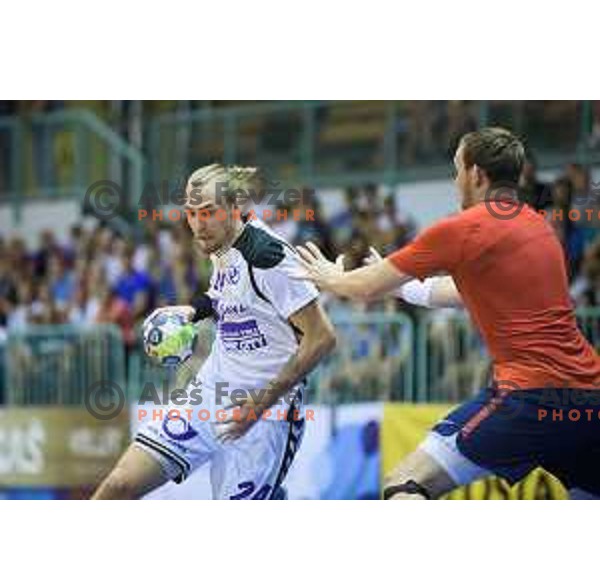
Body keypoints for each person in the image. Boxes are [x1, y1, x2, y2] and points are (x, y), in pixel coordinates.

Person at [295, 127, 600, 500]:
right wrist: (398, 284)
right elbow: (459, 292)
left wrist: (330, 275)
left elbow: (362, 287)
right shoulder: (539, 228)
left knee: (404, 482)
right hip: (589, 400)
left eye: (456, 170)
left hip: (528, 398)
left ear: (475, 175)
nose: (454, 181)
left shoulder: (463, 228)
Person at [92, 164, 336, 500]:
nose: (197, 224)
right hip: (210, 391)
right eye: (191, 213)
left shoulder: (268, 257)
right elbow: (228, 294)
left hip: (265, 415)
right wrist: (193, 310)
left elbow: (322, 338)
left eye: (208, 212)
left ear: (235, 209)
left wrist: (259, 405)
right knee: (119, 484)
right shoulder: (221, 243)